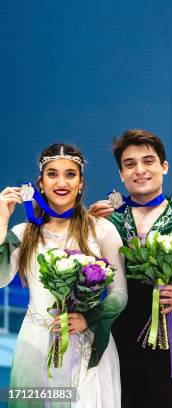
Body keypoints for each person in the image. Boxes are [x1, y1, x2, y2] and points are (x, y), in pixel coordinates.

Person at [89, 129, 172, 408]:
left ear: (164, 166)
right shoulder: (107, 221)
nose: (140, 170)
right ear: (122, 175)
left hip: (168, 346)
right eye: (130, 164)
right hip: (116, 342)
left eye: (148, 161)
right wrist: (84, 229)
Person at [0, 143, 127, 407]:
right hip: (34, 346)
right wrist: (2, 221)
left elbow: (119, 293)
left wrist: (88, 319)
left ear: (81, 182)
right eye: (52, 174)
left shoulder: (102, 230)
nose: (62, 181)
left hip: (86, 346)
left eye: (70, 174)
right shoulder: (23, 233)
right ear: (40, 183)